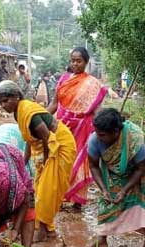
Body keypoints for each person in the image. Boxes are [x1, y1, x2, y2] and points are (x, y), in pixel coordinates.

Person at [0, 80, 77, 242]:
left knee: (47, 191)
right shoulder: (19, 113)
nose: (3, 105)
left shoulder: (28, 113)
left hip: (60, 145)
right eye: (0, 102)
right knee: (40, 190)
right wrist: (22, 162)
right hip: (51, 146)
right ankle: (49, 229)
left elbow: (47, 138)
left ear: (17, 97)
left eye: (6, 100)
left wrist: (46, 163)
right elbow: (29, 139)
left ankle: (44, 230)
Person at [86, 108, 145, 247]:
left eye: (102, 134)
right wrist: (104, 189)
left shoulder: (134, 140)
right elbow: (94, 166)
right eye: (97, 133)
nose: (98, 137)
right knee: (108, 202)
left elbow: (142, 168)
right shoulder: (95, 141)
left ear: (116, 132)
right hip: (114, 172)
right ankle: (102, 239)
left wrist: (125, 189)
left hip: (138, 169)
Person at [48, 46, 108, 209]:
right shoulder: (64, 80)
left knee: (80, 161)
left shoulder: (92, 84)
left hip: (82, 128)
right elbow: (54, 103)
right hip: (62, 127)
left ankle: (77, 201)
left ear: (86, 62)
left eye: (79, 61)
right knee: (61, 161)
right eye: (73, 61)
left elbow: (96, 111)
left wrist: (101, 132)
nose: (75, 64)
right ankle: (60, 197)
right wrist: (39, 117)